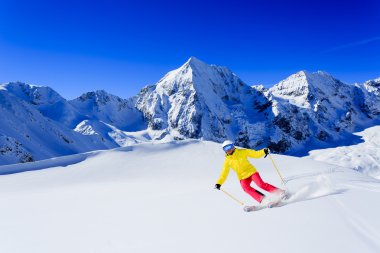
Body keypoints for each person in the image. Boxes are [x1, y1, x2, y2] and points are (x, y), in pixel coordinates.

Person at [214, 140, 285, 206]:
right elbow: (224, 173)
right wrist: (219, 183)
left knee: (260, 184)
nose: (228, 149)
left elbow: (255, 154)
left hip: (251, 172)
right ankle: (263, 199)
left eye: (229, 147)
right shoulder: (227, 161)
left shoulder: (242, 152)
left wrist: (264, 151)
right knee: (246, 188)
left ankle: (280, 192)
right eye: (226, 148)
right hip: (242, 177)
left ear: (233, 146)